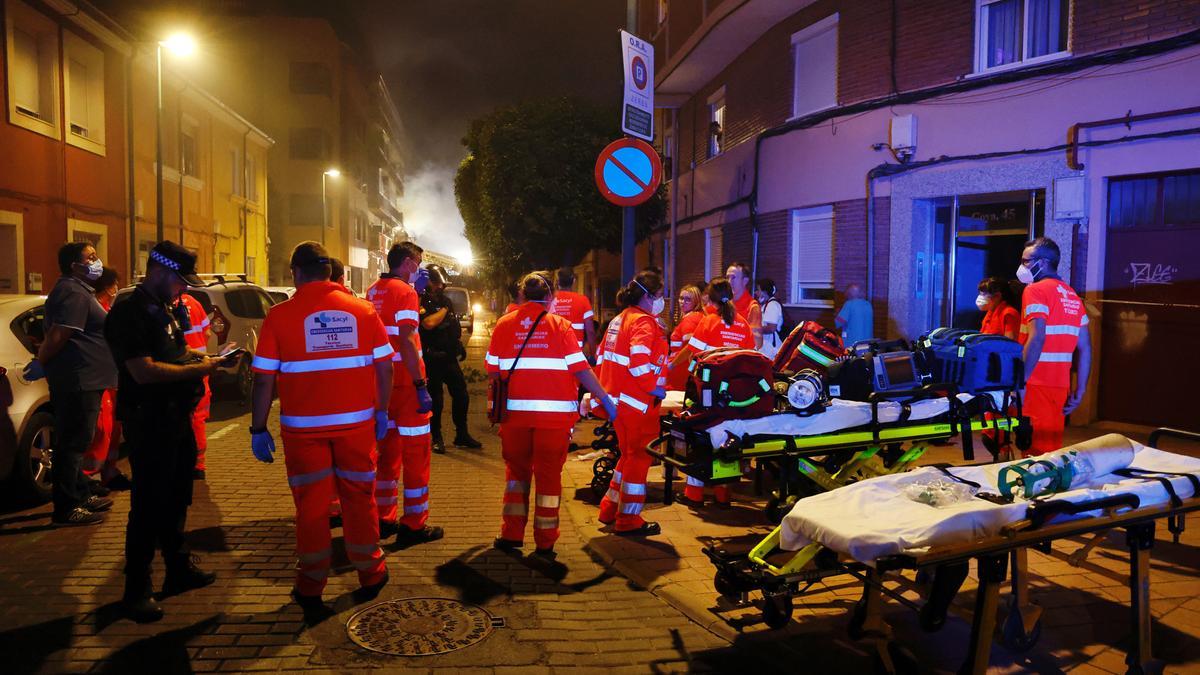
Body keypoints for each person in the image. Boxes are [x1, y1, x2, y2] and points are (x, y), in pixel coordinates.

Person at [249, 241, 393, 618]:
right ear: (330, 273)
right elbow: (385, 367)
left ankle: (311, 585)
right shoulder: (363, 311)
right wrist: (381, 411)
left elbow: (263, 380)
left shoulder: (280, 316)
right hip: (357, 427)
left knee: (311, 509)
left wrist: (257, 426)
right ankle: (371, 573)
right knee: (360, 499)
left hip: (303, 433)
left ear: (296, 273)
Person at [104, 242, 230, 622]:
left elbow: (174, 353)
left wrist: (205, 358)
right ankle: (136, 588)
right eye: (180, 281)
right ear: (159, 271)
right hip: (151, 420)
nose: (185, 289)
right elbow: (143, 370)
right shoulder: (130, 312)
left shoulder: (165, 308)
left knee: (177, 498)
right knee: (147, 505)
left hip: (177, 419)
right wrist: (202, 370)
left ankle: (177, 569)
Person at [488, 271, 616, 559]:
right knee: (548, 480)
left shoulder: (504, 325)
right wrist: (605, 400)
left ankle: (511, 534)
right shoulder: (561, 326)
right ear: (550, 297)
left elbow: (493, 371)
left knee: (516, 476)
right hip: (554, 422)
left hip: (514, 419)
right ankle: (545, 543)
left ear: (522, 295)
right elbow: (581, 370)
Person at [30, 242, 117, 526]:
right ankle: (66, 507)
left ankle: (80, 493)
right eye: (90, 257)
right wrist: (42, 359)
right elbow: (59, 335)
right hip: (78, 380)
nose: (97, 262)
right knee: (73, 443)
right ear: (73, 265)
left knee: (78, 440)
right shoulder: (72, 292)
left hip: (86, 378)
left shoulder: (79, 290)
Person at [367, 242, 443, 544]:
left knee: (387, 454)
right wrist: (420, 385)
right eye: (419, 262)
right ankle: (414, 524)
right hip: (408, 385)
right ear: (409, 263)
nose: (419, 269)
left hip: (381, 383)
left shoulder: (373, 290)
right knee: (417, 454)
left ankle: (384, 518)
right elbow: (408, 340)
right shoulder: (406, 292)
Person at [593, 269, 669, 536]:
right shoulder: (643, 322)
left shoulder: (619, 320)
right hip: (638, 404)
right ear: (647, 296)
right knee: (639, 458)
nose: (662, 300)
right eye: (660, 295)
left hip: (618, 403)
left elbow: (601, 356)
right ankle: (629, 519)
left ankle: (609, 508)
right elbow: (639, 363)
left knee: (627, 456)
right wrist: (655, 390)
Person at [670, 278, 754, 506]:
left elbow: (691, 351)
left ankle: (693, 494)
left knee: (700, 437)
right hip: (734, 394)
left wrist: (670, 365)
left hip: (706, 390)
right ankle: (723, 494)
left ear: (710, 299)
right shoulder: (743, 324)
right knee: (728, 438)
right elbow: (749, 356)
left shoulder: (709, 322)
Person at [1017, 237, 1091, 456]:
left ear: (1043, 263)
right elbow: (1085, 347)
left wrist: (1019, 381)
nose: (1022, 266)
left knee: (1033, 454)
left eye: (1026, 261)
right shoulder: (1072, 296)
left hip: (1035, 383)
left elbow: (1037, 337)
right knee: (1050, 450)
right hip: (1059, 385)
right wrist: (1081, 388)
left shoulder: (1035, 290)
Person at [420, 264, 481, 453]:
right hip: (432, 357)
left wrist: (458, 345)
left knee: (461, 394)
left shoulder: (446, 301)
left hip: (448, 357)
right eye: (436, 283)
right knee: (436, 400)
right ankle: (436, 437)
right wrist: (445, 310)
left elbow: (452, 326)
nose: (440, 287)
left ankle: (461, 434)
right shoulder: (420, 301)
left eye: (441, 284)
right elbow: (429, 323)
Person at [82, 267, 131, 490]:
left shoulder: (106, 310)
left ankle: (109, 472)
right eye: (115, 285)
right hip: (100, 378)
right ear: (111, 286)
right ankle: (89, 477)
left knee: (112, 428)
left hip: (112, 378)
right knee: (100, 429)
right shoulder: (95, 311)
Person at [179, 292, 212, 479]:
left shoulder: (161, 304)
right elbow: (207, 332)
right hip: (200, 367)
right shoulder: (193, 302)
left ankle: (181, 462)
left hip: (177, 369)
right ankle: (198, 464)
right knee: (198, 418)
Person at [549, 267, 597, 357]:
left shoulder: (550, 300)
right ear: (574, 281)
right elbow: (590, 331)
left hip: (554, 351)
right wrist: (593, 353)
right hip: (575, 352)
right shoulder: (583, 300)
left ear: (557, 282)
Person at [666, 284, 705, 391]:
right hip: (684, 372)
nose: (683, 302)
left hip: (680, 373)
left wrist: (671, 365)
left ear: (696, 302)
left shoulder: (691, 319)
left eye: (688, 299)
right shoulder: (696, 316)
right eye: (681, 298)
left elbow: (690, 348)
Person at [726, 262, 762, 349]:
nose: (729, 282)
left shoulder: (753, 307)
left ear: (745, 281)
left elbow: (757, 344)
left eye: (733, 277)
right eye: (727, 277)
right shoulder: (724, 303)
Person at [835, 283, 874, 347]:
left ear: (849, 293)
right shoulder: (868, 304)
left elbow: (839, 323)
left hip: (853, 343)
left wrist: (837, 313)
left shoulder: (849, 304)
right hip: (867, 343)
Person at [756, 278, 785, 360]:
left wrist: (754, 330)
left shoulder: (772, 305)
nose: (756, 293)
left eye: (758, 290)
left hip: (771, 348)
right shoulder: (767, 304)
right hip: (767, 348)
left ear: (765, 292)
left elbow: (771, 328)